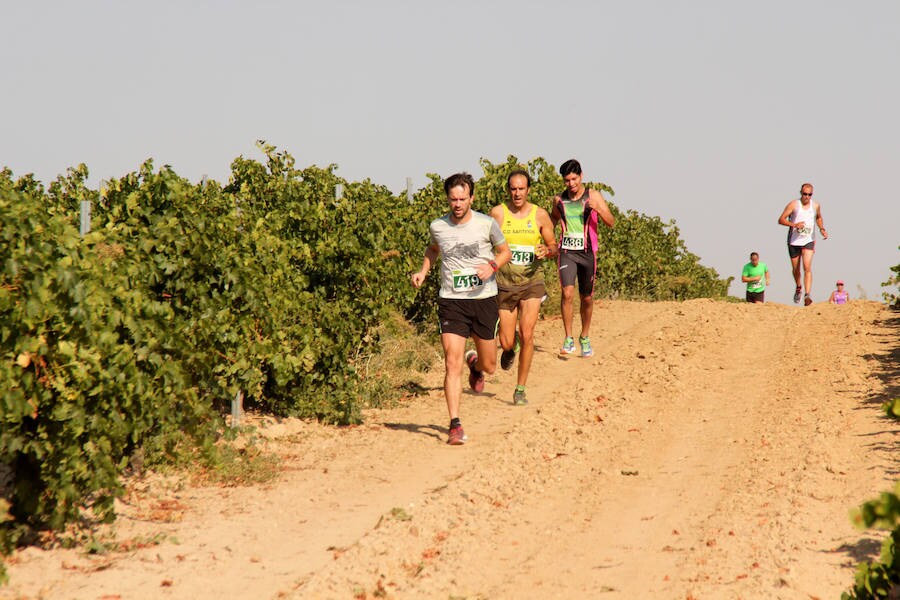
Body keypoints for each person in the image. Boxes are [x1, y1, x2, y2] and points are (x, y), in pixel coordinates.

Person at [410, 172, 511, 445]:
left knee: (490, 365)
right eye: (453, 199)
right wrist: (423, 272)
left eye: (462, 199)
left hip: (484, 299)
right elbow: (433, 250)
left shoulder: (486, 224)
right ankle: (455, 424)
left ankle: (475, 364)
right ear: (447, 199)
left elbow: (505, 252)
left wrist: (491, 267)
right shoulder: (438, 226)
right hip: (452, 301)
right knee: (450, 363)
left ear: (471, 198)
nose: (457, 204)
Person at [489, 169, 558, 406]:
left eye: (522, 189)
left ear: (528, 190)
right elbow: (485, 243)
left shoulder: (540, 215)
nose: (517, 193)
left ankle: (520, 389)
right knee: (507, 342)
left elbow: (553, 245)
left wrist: (547, 250)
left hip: (532, 282)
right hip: (505, 284)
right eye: (513, 189)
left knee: (528, 333)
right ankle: (511, 347)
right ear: (508, 190)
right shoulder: (498, 214)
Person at [550, 159, 615, 357]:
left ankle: (584, 337)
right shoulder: (559, 200)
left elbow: (611, 222)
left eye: (574, 179)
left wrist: (599, 208)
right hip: (567, 252)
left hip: (587, 253)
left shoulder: (592, 195)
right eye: (567, 180)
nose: (571, 184)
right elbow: (551, 221)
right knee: (567, 293)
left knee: (586, 298)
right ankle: (568, 338)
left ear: (581, 176)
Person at [778, 183, 828, 306]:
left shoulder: (815, 206)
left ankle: (807, 295)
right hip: (794, 241)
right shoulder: (794, 205)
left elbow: (819, 217)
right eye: (805, 194)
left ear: (812, 195)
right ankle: (799, 287)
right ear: (801, 193)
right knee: (796, 269)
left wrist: (822, 228)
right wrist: (794, 225)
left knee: (807, 267)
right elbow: (781, 219)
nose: (807, 197)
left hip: (808, 240)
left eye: (809, 194)